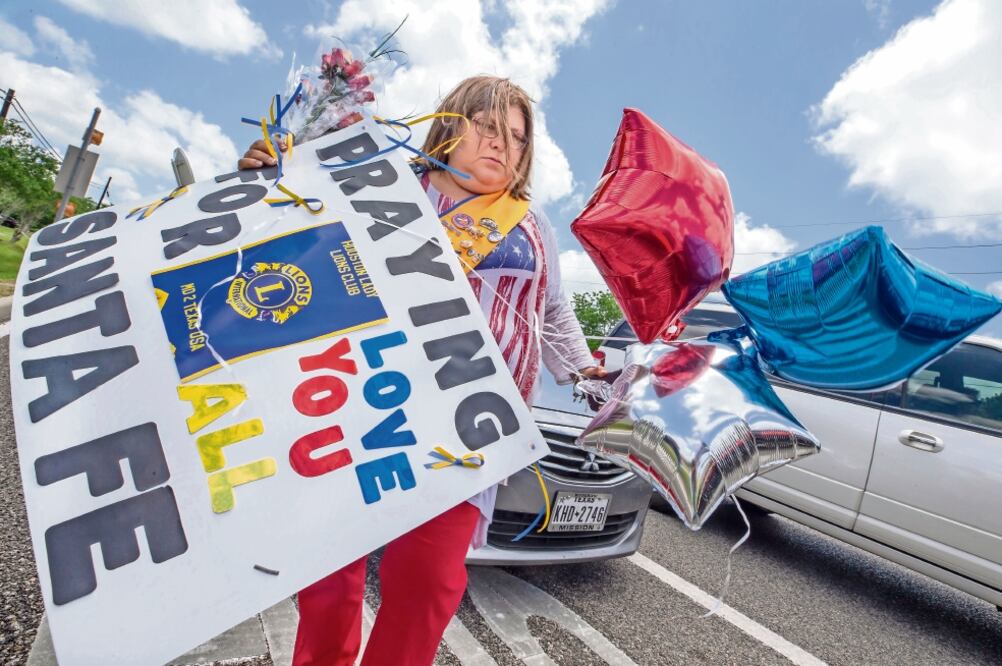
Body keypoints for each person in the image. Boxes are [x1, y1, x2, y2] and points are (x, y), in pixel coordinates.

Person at [240, 75, 605, 666]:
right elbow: (296, 243)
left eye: (517, 137)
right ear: (451, 126)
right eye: (487, 127)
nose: (502, 144)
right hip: (367, 404)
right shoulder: (387, 185)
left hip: (467, 426)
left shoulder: (533, 226)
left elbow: (554, 310)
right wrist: (268, 181)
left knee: (429, 581)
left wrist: (586, 372)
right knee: (330, 574)